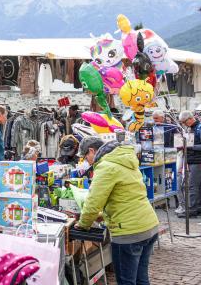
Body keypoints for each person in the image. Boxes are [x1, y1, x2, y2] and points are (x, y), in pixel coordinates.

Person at [75, 136, 159, 285]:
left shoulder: (106, 166)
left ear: (92, 151)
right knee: (141, 279)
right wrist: (103, 215)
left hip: (129, 232)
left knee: (126, 281)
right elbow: (125, 197)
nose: (86, 162)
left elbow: (93, 202)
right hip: (148, 224)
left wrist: (83, 224)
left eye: (85, 157)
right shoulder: (123, 159)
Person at [178, 110, 201, 217]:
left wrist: (190, 146)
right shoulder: (192, 128)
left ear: (190, 119)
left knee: (192, 186)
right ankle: (197, 208)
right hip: (193, 160)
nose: (184, 124)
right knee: (197, 186)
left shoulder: (199, 128)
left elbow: (195, 145)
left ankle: (191, 210)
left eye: (184, 122)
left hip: (197, 161)